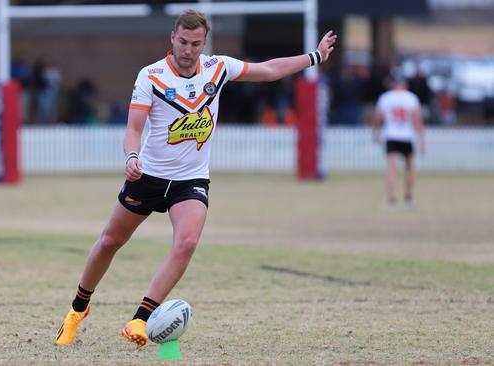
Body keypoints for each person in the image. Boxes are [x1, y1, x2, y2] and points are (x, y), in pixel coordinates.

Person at [55, 9, 337, 348]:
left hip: (190, 180)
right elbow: (133, 129)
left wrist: (315, 56)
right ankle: (78, 309)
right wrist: (131, 156)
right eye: (183, 42)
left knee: (186, 243)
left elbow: (268, 70)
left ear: (204, 44)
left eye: (196, 44)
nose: (188, 50)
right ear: (172, 39)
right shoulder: (151, 76)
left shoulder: (217, 68)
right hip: (149, 177)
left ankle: (139, 320)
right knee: (110, 242)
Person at [372, 73, 425, 208]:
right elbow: (417, 119)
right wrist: (421, 139)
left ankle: (391, 200)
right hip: (407, 136)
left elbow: (378, 118)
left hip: (391, 136)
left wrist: (376, 135)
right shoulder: (411, 98)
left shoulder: (385, 98)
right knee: (409, 169)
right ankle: (408, 198)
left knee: (391, 169)